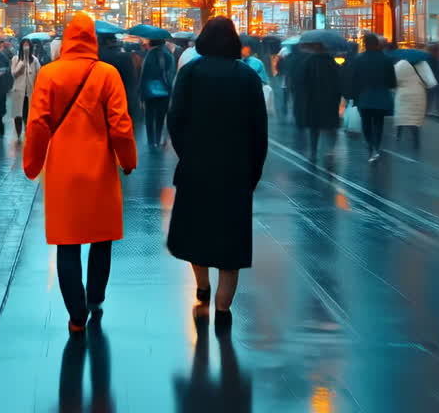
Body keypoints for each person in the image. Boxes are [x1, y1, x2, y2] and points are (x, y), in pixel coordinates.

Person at [23, 13, 138, 334]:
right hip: (100, 168)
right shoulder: (106, 74)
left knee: (67, 244)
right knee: (102, 238)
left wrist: (32, 164)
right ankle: (95, 300)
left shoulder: (49, 74)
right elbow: (121, 126)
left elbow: (37, 125)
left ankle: (76, 317)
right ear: (93, 39)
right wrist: (127, 160)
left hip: (62, 170)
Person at [166, 18, 267, 329]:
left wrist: (188, 153)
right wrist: (253, 170)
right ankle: (224, 309)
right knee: (231, 242)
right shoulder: (248, 77)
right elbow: (259, 130)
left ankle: (202, 286)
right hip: (235, 171)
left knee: (197, 232)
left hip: (197, 167)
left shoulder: (190, 73)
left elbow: (176, 119)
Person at [348, 34, 396, 162]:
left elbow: (354, 80)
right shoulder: (386, 59)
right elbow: (392, 82)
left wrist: (352, 97)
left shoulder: (358, 59)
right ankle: (377, 146)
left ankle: (370, 145)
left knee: (366, 123)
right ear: (377, 44)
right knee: (379, 123)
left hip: (364, 97)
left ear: (364, 44)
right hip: (381, 96)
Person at [290, 42, 341, 159]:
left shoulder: (308, 62)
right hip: (329, 100)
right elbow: (338, 81)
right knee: (330, 127)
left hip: (312, 100)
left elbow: (301, 82)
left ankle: (313, 151)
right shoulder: (332, 62)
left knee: (314, 127)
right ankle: (330, 149)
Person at [393, 54, 437, 148]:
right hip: (418, 94)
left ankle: (398, 137)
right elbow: (431, 82)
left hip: (403, 95)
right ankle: (416, 141)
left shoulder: (400, 64)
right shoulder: (423, 64)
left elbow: (393, 81)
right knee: (414, 120)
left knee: (402, 117)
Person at [139, 39, 175, 147]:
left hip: (149, 92)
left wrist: (141, 94)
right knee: (160, 117)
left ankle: (151, 141)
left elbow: (143, 76)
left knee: (149, 116)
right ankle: (158, 139)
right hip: (164, 91)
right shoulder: (168, 55)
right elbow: (171, 74)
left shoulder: (149, 55)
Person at [10, 38, 41, 141]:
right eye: (24, 45)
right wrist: (23, 63)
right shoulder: (16, 59)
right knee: (17, 115)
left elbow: (38, 75)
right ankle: (18, 134)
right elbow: (14, 74)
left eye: (28, 45)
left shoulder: (35, 60)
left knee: (28, 115)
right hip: (18, 91)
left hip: (30, 92)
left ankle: (28, 134)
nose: (26, 47)